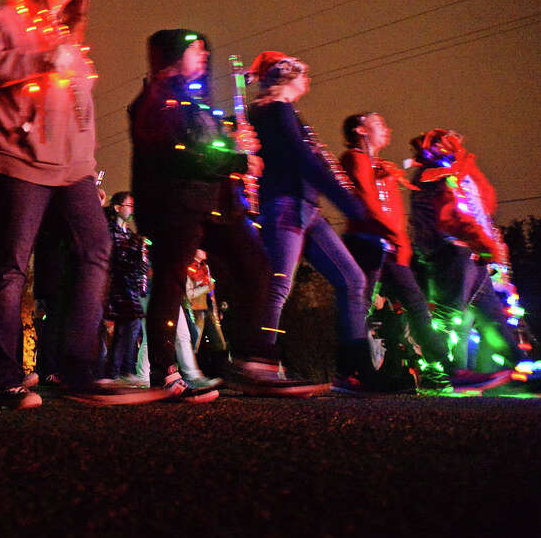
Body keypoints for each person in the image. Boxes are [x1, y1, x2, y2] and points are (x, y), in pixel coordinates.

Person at [0, 0, 147, 408]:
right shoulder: (8, 19)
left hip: (73, 170)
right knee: (11, 265)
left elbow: (81, 112)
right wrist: (40, 60)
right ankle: (2, 375)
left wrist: (87, 162)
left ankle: (77, 367)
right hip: (18, 160)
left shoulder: (72, 38)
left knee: (98, 247)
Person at [129, 32, 311, 399]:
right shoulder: (157, 99)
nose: (205, 54)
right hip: (176, 207)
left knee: (255, 266)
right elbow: (181, 152)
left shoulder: (193, 100)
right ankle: (164, 372)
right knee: (170, 283)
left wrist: (231, 139)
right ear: (174, 55)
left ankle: (249, 361)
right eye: (195, 49)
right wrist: (238, 159)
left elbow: (203, 145)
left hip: (215, 206)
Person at [246, 51, 381, 391]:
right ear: (286, 77)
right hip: (287, 205)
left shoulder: (284, 113)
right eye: (302, 73)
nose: (308, 79)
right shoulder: (275, 112)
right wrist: (349, 204)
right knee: (279, 283)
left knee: (351, 279)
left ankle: (354, 370)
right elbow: (304, 160)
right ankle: (259, 362)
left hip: (307, 209)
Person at [337, 113, 461, 393]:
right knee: (361, 305)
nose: (386, 127)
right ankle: (350, 372)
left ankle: (442, 367)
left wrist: (399, 241)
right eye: (378, 123)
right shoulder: (353, 158)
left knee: (413, 305)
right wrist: (393, 235)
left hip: (390, 248)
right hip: (366, 242)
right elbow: (366, 203)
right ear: (360, 130)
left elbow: (393, 210)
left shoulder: (382, 166)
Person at [408, 129, 516, 392]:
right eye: (447, 140)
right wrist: (483, 242)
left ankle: (520, 366)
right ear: (433, 147)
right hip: (450, 252)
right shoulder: (433, 175)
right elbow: (450, 217)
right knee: (448, 317)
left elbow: (486, 202)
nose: (454, 143)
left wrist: (466, 162)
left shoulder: (455, 171)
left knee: (492, 317)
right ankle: (442, 374)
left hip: (473, 253)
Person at [104, 192, 147, 381]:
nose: (131, 209)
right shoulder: (109, 230)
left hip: (130, 286)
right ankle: (116, 371)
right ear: (117, 207)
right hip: (115, 284)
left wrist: (140, 258)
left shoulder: (130, 234)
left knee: (131, 326)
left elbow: (137, 264)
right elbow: (112, 259)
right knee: (124, 327)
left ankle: (124, 370)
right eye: (128, 205)